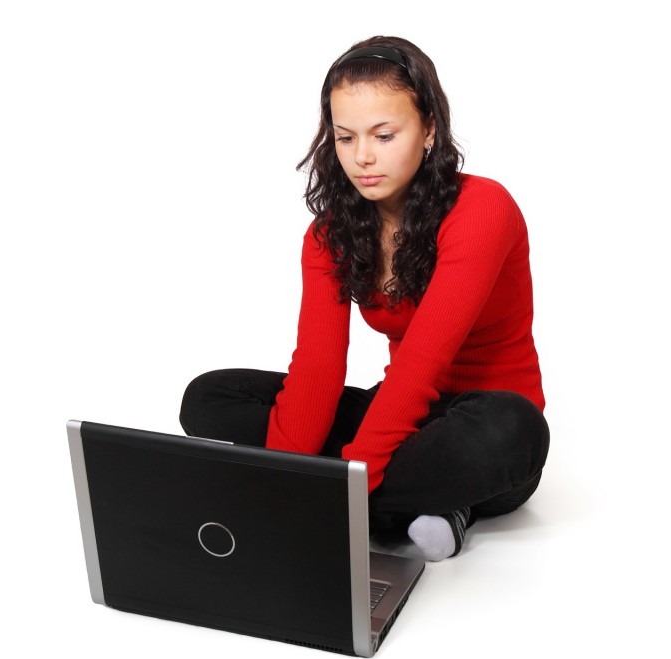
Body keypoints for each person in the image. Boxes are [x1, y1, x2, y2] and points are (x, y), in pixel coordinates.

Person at [179, 36, 550, 561]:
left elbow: (424, 360)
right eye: (345, 137)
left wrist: (333, 484)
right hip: (402, 415)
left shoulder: (482, 209)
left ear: (429, 131)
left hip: (480, 423)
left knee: (512, 431)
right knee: (210, 398)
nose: (363, 157)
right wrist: (290, 472)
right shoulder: (330, 233)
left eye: (384, 134)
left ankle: (374, 495)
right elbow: (318, 367)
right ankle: (423, 503)